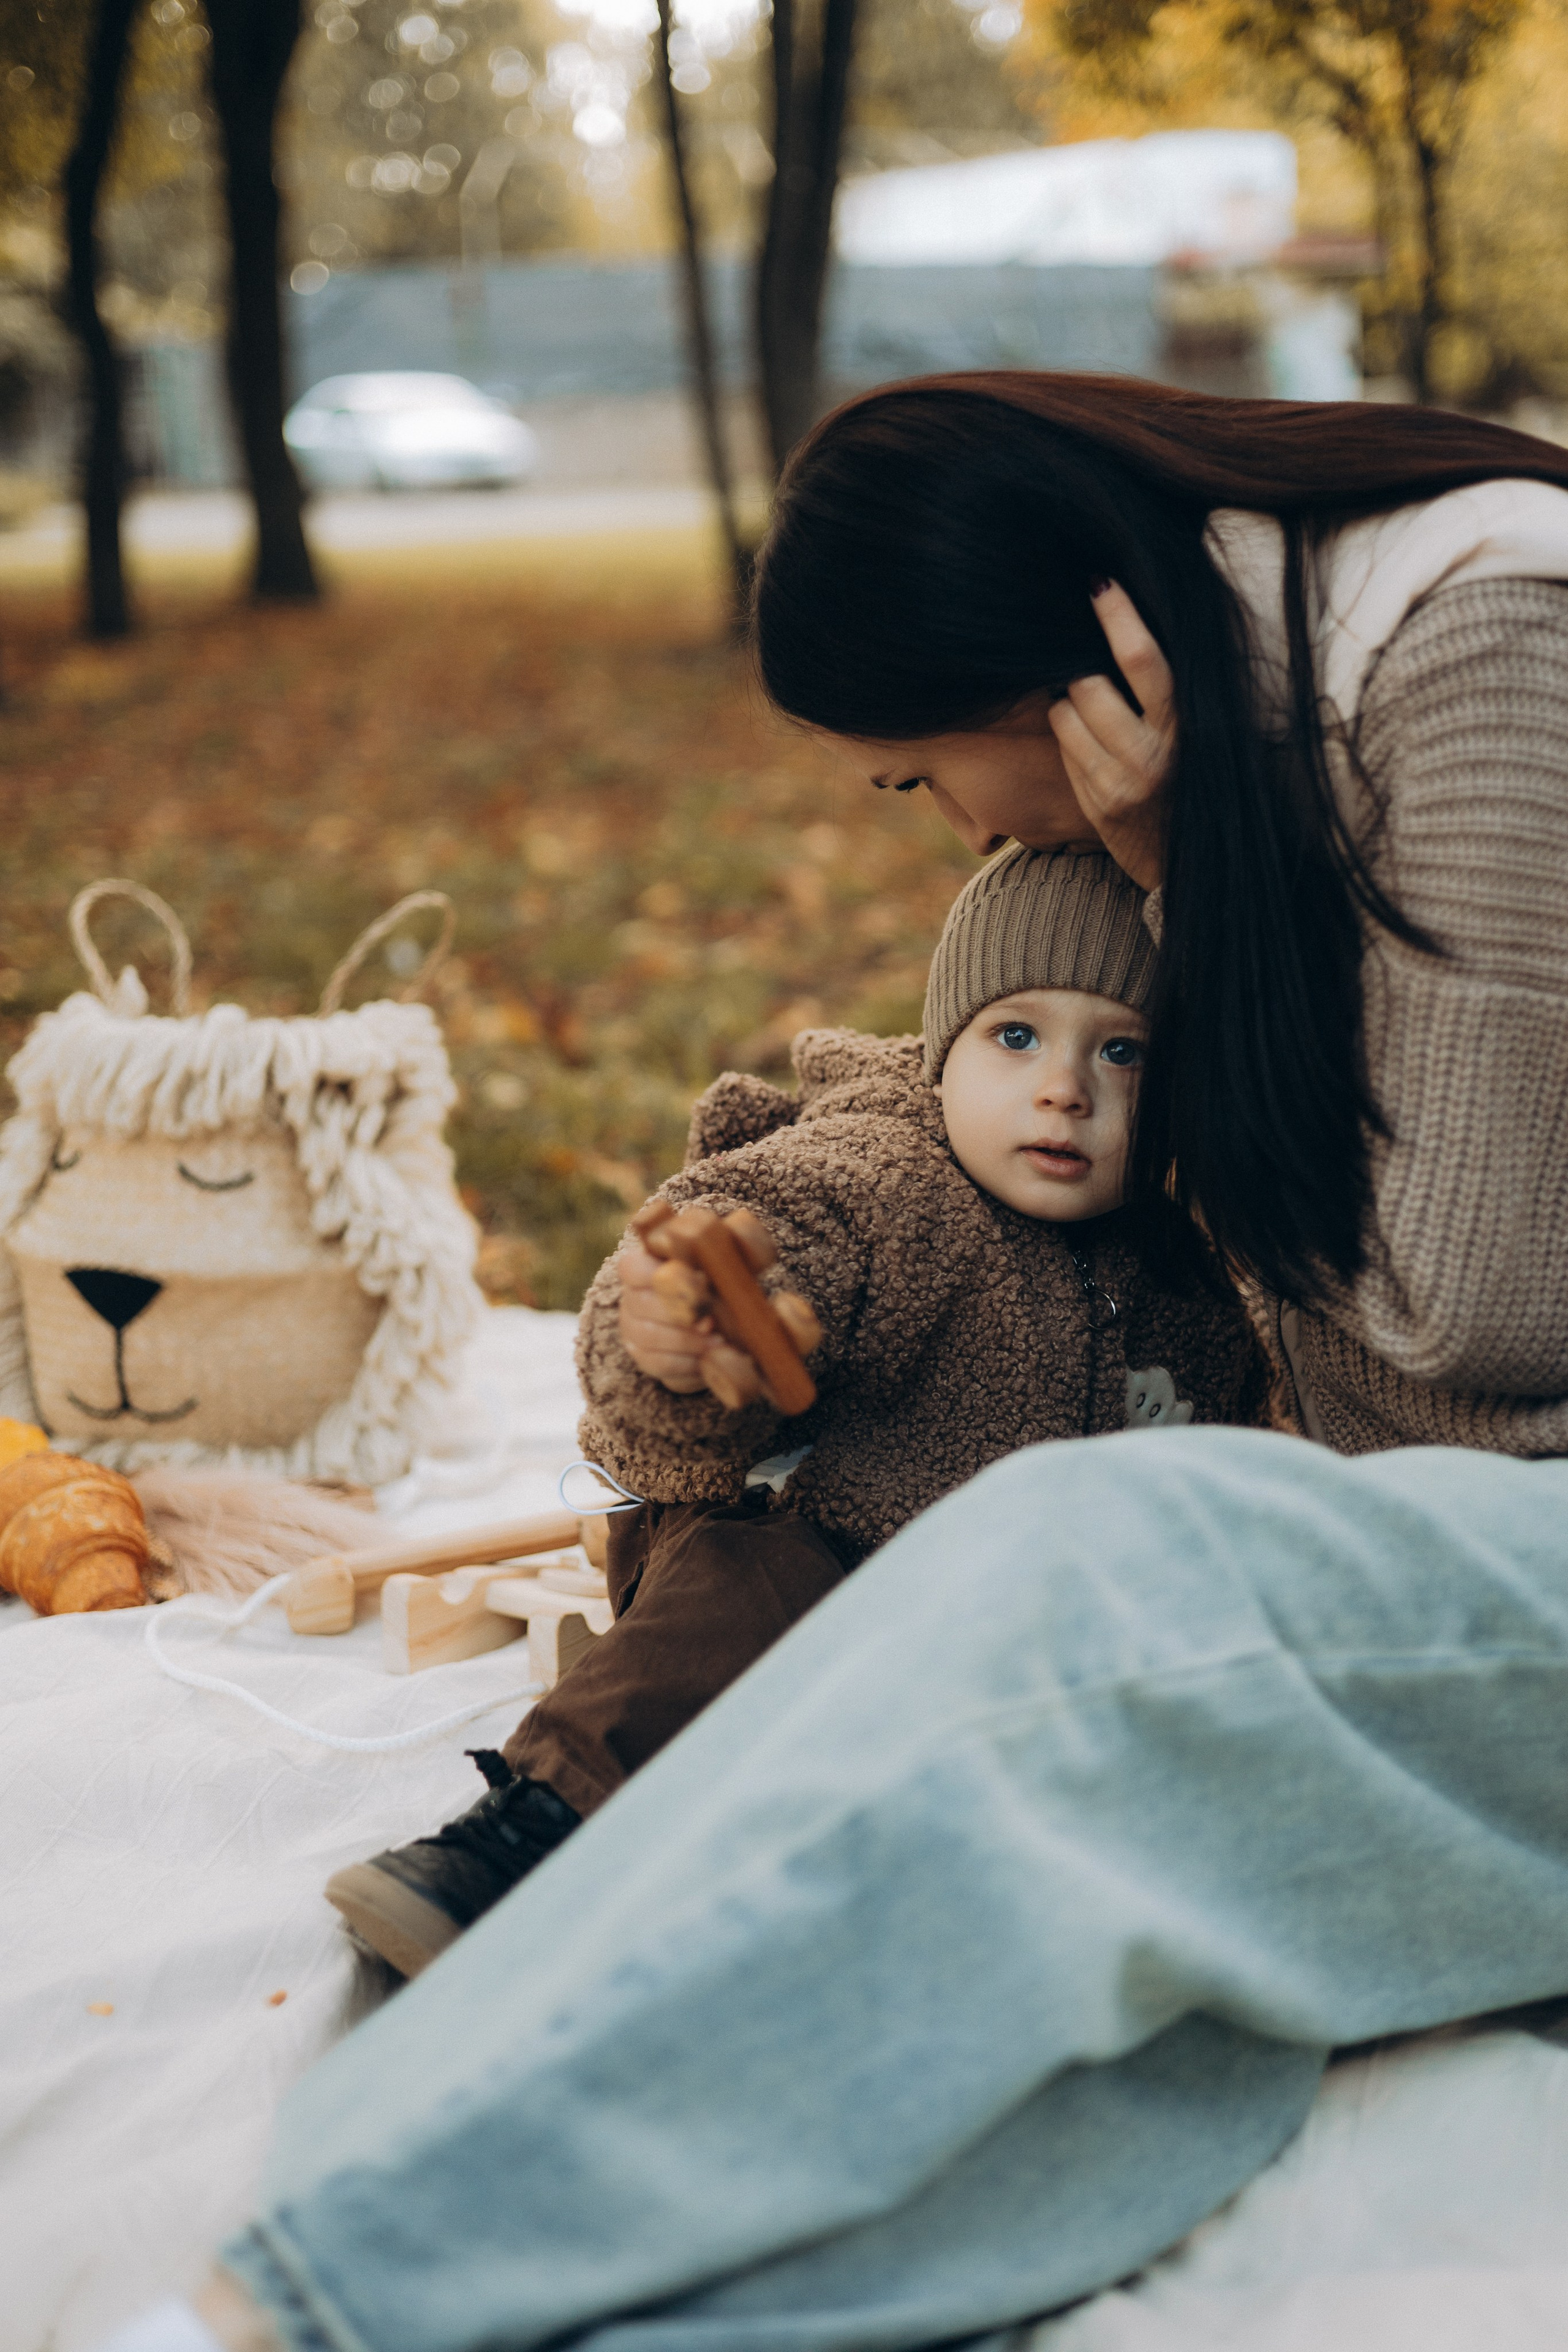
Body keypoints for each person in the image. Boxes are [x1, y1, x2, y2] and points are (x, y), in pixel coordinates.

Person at [104, 375, 1568, 2352]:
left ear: (1076, 670)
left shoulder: (1482, 635)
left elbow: (1459, 1326)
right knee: (1075, 1991)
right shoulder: (1305, 673)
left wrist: (1185, 882)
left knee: (1094, 1572)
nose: (958, 830)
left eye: (917, 778)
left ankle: (298, 2307)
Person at [325, 846, 1267, 1981]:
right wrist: (677, 1337)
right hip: (809, 1541)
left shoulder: (1186, 1268)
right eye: (1016, 1036)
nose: (1066, 1088)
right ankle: (533, 1828)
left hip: (1002, 1631)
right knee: (755, 1589)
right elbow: (751, 1228)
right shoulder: (880, 1173)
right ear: (944, 1051)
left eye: (1123, 1051)